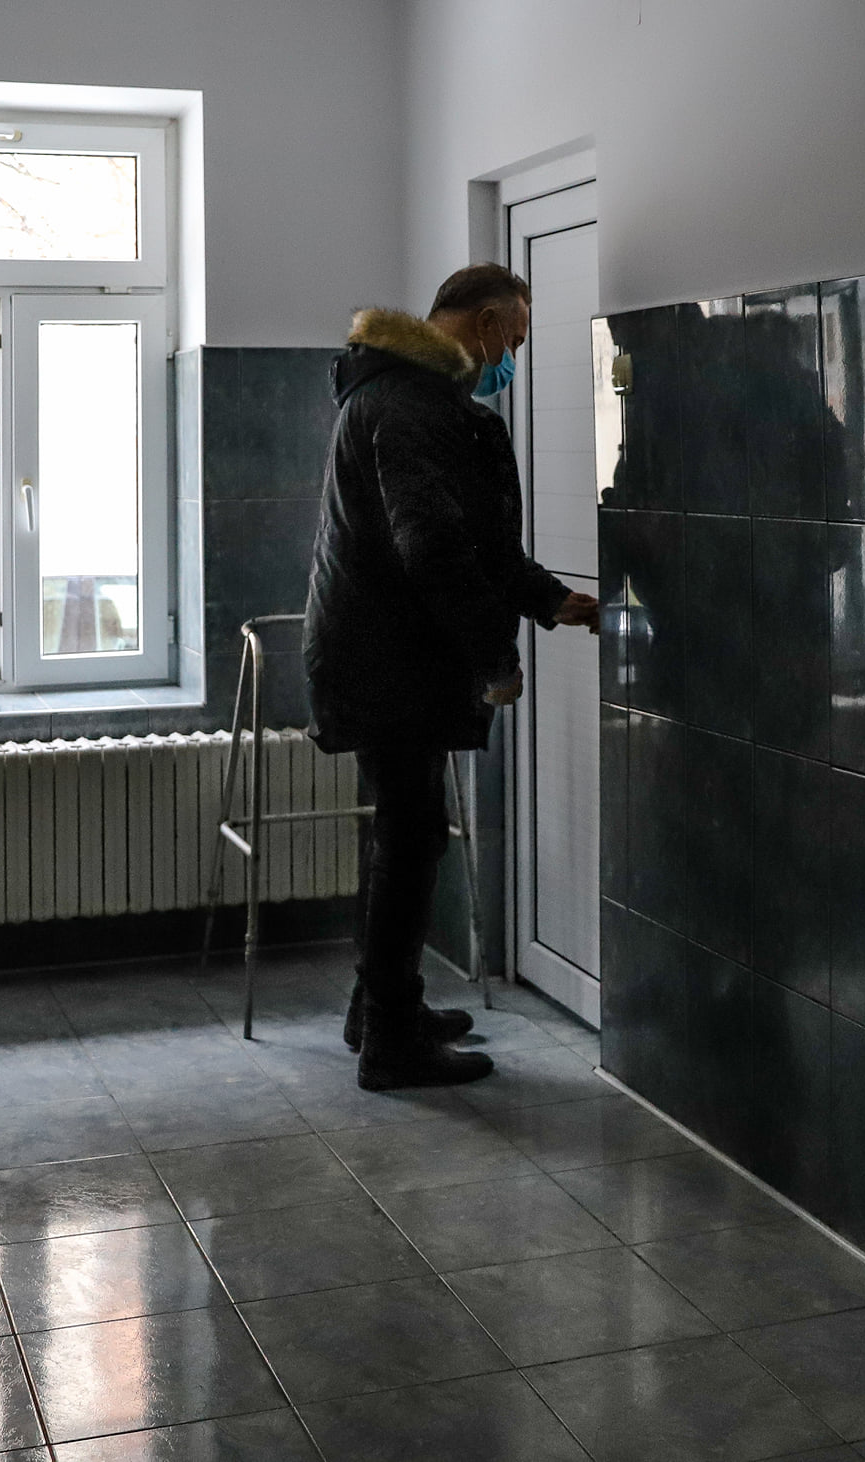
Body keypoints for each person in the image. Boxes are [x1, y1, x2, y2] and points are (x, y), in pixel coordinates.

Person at [304, 263, 598, 1090]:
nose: (514, 359)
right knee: (410, 837)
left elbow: (477, 544)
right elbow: (432, 547)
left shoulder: (405, 395)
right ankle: (391, 1040)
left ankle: (378, 1009)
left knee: (403, 834)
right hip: (392, 660)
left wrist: (552, 601)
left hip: (383, 654)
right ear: (489, 323)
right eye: (517, 340)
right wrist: (493, 656)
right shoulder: (409, 405)